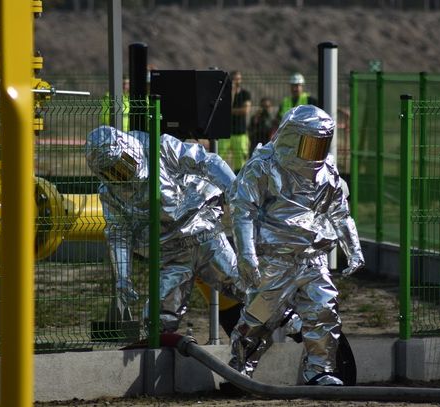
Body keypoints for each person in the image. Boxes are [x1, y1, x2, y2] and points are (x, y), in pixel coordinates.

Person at [227, 105, 365, 386]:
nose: (316, 151)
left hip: (313, 259)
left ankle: (320, 371)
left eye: (321, 144)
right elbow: (243, 211)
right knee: (258, 320)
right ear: (292, 138)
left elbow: (340, 212)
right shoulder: (264, 165)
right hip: (275, 260)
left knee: (323, 312)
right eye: (310, 143)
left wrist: (354, 250)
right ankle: (239, 369)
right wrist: (247, 256)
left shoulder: (326, 172)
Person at [85, 125, 245, 333]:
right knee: (157, 320)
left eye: (122, 165)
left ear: (129, 151)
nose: (120, 174)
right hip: (171, 255)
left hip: (203, 235)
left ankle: (293, 324)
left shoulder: (160, 148)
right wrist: (123, 278)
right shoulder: (110, 192)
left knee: (244, 287)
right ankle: (164, 357)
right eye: (111, 172)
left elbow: (208, 162)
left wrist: (237, 194)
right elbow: (118, 233)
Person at [218, 70, 252, 173]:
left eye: (238, 79)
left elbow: (245, 110)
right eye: (233, 79)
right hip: (226, 133)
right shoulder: (225, 94)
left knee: (240, 162)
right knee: (218, 157)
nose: (236, 81)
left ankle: (238, 180)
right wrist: (231, 92)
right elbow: (223, 109)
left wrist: (230, 111)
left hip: (240, 133)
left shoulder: (245, 94)